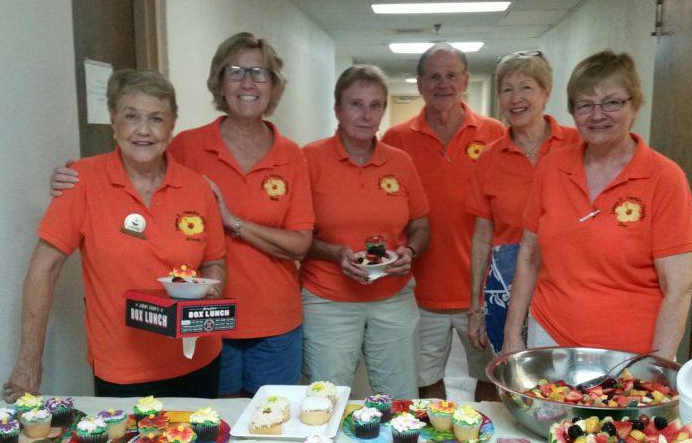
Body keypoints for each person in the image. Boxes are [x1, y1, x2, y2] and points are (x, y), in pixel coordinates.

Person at [50, 33, 314, 398]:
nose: (248, 82)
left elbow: (301, 244)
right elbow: (136, 159)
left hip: (275, 320)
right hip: (204, 326)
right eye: (236, 71)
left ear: (274, 85)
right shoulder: (187, 146)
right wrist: (73, 179)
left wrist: (232, 221)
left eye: (260, 72)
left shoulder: (291, 155)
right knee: (210, 428)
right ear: (220, 82)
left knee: (274, 427)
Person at [4, 69, 227, 401]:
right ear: (113, 121)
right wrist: (28, 363)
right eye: (131, 116)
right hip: (122, 371)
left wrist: (210, 292)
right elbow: (44, 269)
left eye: (156, 118)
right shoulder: (81, 182)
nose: (143, 130)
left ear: (171, 126)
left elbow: (215, 264)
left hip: (197, 360)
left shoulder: (198, 188)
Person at [501, 50, 692, 360]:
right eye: (585, 105)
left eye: (612, 102)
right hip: (550, 335)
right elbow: (528, 255)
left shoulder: (664, 178)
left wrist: (658, 364)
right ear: (572, 111)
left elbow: (679, 287)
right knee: (549, 410)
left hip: (632, 351)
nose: (597, 115)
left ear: (634, 105)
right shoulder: (552, 167)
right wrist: (512, 334)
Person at [382, 44, 506, 401]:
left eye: (452, 75)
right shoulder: (397, 140)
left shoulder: (495, 133)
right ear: (420, 84)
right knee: (425, 382)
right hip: (419, 291)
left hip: (481, 292)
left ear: (465, 80)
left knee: (492, 380)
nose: (443, 84)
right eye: (434, 76)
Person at [301, 65, 430, 399]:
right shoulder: (308, 160)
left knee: (400, 398)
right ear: (337, 110)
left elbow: (420, 225)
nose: (365, 114)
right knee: (327, 400)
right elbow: (296, 235)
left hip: (393, 297)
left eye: (375, 105)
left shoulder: (400, 162)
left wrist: (410, 252)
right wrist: (334, 253)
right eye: (356, 104)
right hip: (328, 299)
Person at [466, 52, 578, 363]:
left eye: (526, 87)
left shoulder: (577, 146)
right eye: (507, 89)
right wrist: (475, 305)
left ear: (546, 92)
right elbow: (481, 237)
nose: (516, 98)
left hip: (563, 280)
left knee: (558, 373)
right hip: (504, 280)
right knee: (508, 373)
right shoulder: (489, 158)